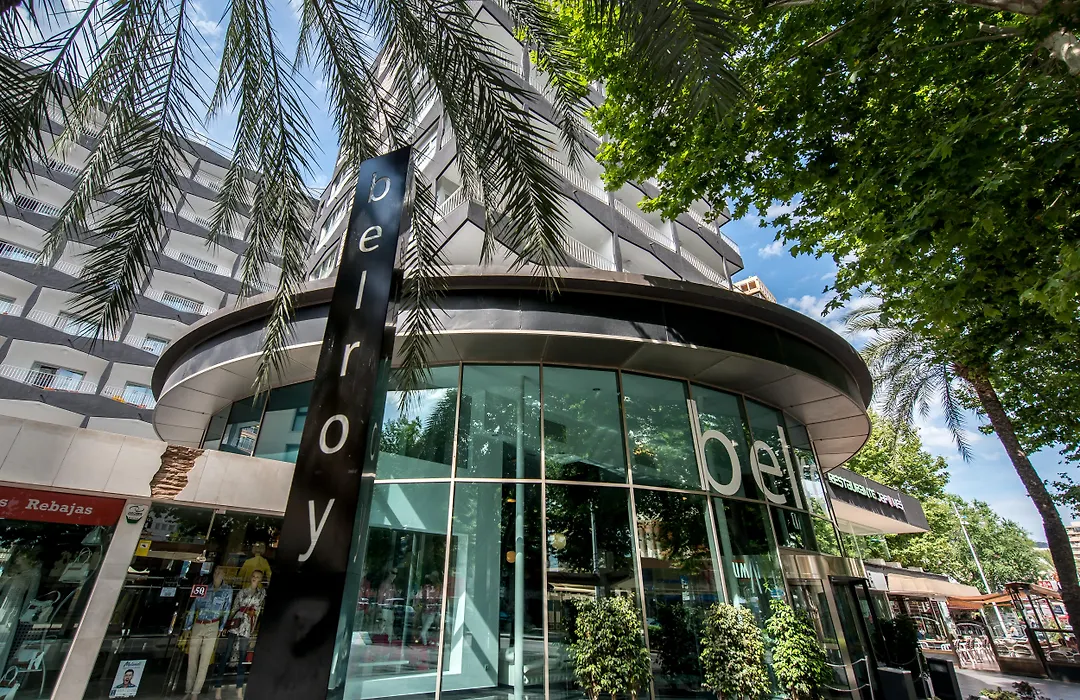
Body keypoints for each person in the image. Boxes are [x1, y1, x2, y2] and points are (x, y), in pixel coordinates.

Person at [214, 570, 266, 700]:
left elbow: (259, 610)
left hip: (248, 626)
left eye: (257, 577)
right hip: (237, 623)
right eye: (253, 576)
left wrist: (254, 627)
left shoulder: (261, 594)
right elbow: (234, 607)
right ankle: (218, 688)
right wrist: (227, 625)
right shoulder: (243, 592)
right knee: (226, 654)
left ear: (260, 579)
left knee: (242, 656)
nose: (255, 578)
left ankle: (239, 689)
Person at [183, 568, 233, 700]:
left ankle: (195, 692)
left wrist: (221, 627)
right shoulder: (204, 588)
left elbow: (227, 609)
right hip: (199, 623)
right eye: (216, 572)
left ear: (224, 574)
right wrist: (187, 626)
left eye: (220, 572)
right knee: (192, 658)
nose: (217, 574)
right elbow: (194, 606)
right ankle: (188, 689)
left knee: (205, 660)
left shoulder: (227, 590)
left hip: (213, 624)